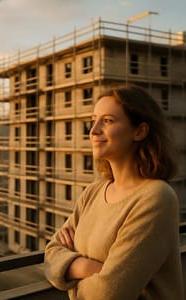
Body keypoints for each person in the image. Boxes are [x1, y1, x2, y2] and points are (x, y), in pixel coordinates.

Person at [44, 84, 184, 300]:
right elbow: (51, 254)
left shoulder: (156, 198)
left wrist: (69, 271)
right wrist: (90, 268)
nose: (93, 130)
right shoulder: (92, 192)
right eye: (94, 121)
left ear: (139, 131)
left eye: (107, 121)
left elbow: (107, 294)